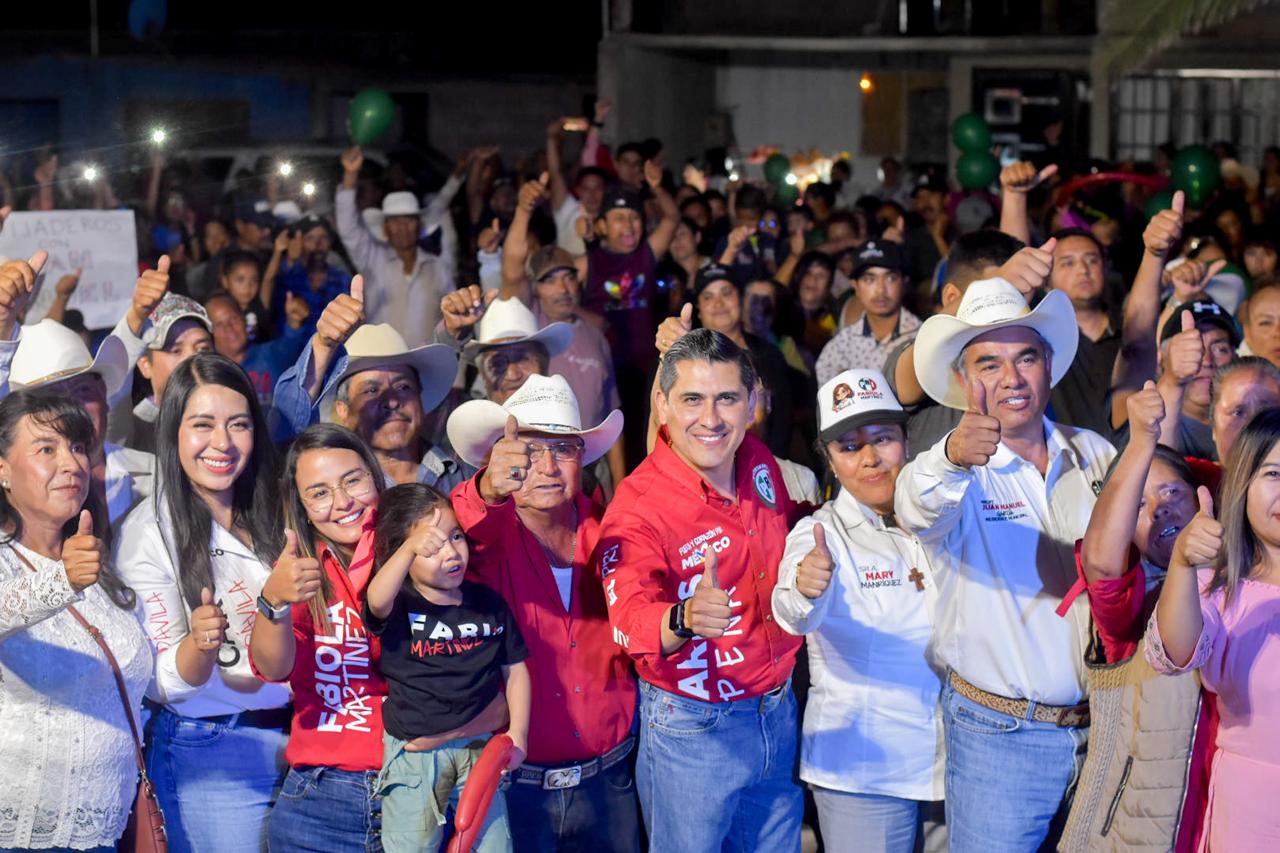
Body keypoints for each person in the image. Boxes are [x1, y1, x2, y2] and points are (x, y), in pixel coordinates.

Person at [894, 277, 1116, 852]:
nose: (1012, 379)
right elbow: (913, 503)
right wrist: (949, 455)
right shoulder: (949, 470)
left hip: (1105, 732)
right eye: (988, 364)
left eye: (1026, 358)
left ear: (1048, 365)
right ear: (965, 380)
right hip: (1000, 737)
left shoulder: (1094, 452)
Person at [250, 424, 507, 852]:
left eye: (353, 480)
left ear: (375, 476)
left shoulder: (424, 549)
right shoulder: (298, 570)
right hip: (322, 802)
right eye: (320, 492)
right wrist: (272, 600)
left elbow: (491, 680)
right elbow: (273, 669)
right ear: (303, 507)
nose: (342, 502)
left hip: (427, 786)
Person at [599, 328, 808, 852]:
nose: (710, 419)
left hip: (776, 712)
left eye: (727, 399)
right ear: (663, 406)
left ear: (753, 402)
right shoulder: (638, 505)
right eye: (692, 399)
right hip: (694, 726)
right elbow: (628, 621)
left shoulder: (757, 459)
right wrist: (684, 618)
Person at [446, 374, 640, 852]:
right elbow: (466, 520)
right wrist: (490, 487)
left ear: (583, 459)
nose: (548, 467)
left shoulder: (615, 531)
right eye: (530, 452)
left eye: (564, 450)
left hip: (612, 780)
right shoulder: (480, 540)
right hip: (516, 787)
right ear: (501, 461)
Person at [115, 353, 290, 853]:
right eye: (202, 425)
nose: (222, 443)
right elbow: (164, 680)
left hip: (307, 744)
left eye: (238, 424)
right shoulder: (148, 533)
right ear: (173, 433)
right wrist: (199, 643)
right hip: (214, 752)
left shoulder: (279, 514)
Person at [772, 370, 945, 853]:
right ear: (828, 459)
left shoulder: (941, 515)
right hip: (865, 773)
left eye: (882, 438)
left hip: (955, 762)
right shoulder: (821, 533)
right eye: (849, 447)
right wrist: (806, 589)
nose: (870, 458)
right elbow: (792, 612)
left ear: (907, 440)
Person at [0, 391, 150, 852]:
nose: (71, 463)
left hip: (104, 829)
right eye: (47, 448)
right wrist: (62, 580)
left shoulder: (100, 568)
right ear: (2, 469)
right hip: (21, 830)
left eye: (79, 447)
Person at [1071, 382, 1211, 852]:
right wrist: (1141, 441)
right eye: (1139, 507)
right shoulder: (1130, 598)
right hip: (1140, 824)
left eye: (1173, 491)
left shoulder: (1244, 583)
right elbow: (1103, 564)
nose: (1162, 508)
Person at [366, 483, 531, 853]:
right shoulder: (398, 604)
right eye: (431, 544)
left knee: (494, 844)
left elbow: (516, 669)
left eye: (455, 536)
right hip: (415, 757)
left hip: (479, 748)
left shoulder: (487, 601)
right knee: (412, 846)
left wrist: (518, 733)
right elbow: (376, 599)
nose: (450, 551)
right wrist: (410, 548)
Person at [1146, 407, 1280, 850]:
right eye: (1275, 473)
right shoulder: (1219, 588)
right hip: (1254, 808)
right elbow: (1174, 652)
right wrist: (1183, 563)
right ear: (1244, 483)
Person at [272, 282, 467, 490]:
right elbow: (284, 427)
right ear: (342, 410)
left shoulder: (465, 478)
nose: (392, 401)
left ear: (419, 396)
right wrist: (322, 346)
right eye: (372, 390)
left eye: (403, 387)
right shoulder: (335, 493)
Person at [580, 168, 678, 462]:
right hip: (605, 368)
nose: (629, 225)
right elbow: (550, 294)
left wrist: (658, 188)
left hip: (643, 366)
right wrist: (584, 313)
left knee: (644, 438)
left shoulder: (645, 254)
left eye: (635, 218)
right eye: (619, 218)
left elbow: (672, 219)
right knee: (610, 442)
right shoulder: (589, 261)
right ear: (602, 226)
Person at [337, 146, 454, 347]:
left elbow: (453, 319)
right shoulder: (372, 258)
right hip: (380, 366)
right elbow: (348, 228)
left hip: (425, 371)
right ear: (386, 228)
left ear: (419, 226)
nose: (402, 228)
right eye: (395, 222)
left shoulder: (437, 267)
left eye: (409, 220)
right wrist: (350, 175)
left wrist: (458, 373)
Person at [687, 264, 795, 458]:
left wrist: (772, 468)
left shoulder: (769, 356)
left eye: (726, 293)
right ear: (699, 309)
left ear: (741, 300)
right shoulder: (683, 360)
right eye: (708, 297)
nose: (718, 303)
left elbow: (782, 424)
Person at [109, 293, 214, 454]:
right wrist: (135, 317)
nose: (192, 358)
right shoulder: (133, 431)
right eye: (176, 350)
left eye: (203, 349)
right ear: (145, 365)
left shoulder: (230, 416)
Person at [815, 241, 920, 384]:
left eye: (890, 278)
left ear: (904, 282)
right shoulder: (839, 348)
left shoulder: (922, 338)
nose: (880, 290)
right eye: (869, 279)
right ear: (855, 286)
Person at [1153, 298, 1240, 460]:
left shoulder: (1253, 423)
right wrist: (1174, 380)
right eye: (1192, 349)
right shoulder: (1144, 421)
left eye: (1221, 349)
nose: (1207, 361)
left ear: (1236, 358)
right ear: (1162, 360)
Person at [206, 292, 309, 408]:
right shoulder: (209, 375)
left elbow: (289, 345)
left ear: (244, 319)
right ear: (209, 334)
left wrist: (294, 323)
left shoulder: (269, 354)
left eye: (233, 319)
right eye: (219, 325)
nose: (229, 328)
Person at [271, 215, 352, 339]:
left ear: (330, 242)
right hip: (293, 355)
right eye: (310, 238)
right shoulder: (287, 276)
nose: (317, 244)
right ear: (298, 243)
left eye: (323, 237)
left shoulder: (342, 280)